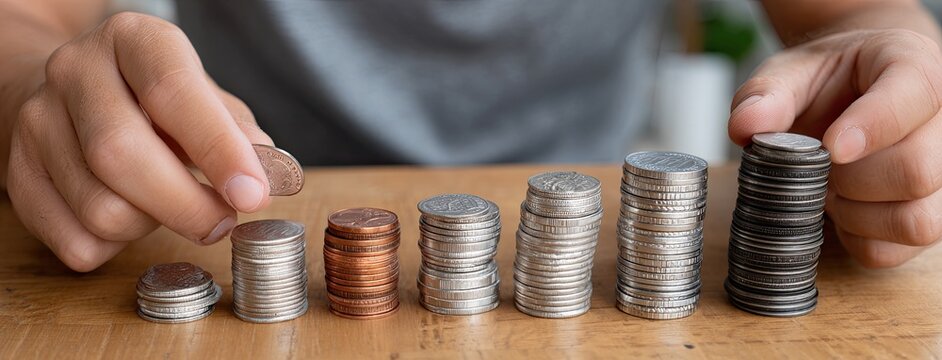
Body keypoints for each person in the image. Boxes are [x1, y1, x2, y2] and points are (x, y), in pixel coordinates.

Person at [0, 0, 939, 272]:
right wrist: (30, 93)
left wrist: (895, 45)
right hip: (221, 202)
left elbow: (848, 13)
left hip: (601, 233)